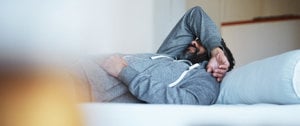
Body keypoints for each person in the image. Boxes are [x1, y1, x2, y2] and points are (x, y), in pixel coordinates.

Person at [72, 6, 235, 104]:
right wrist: (215, 48)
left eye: (200, 43)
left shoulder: (205, 80)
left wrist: (124, 71)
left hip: (85, 85)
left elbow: (184, 101)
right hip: (79, 65)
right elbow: (195, 15)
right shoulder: (170, 58)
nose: (193, 42)